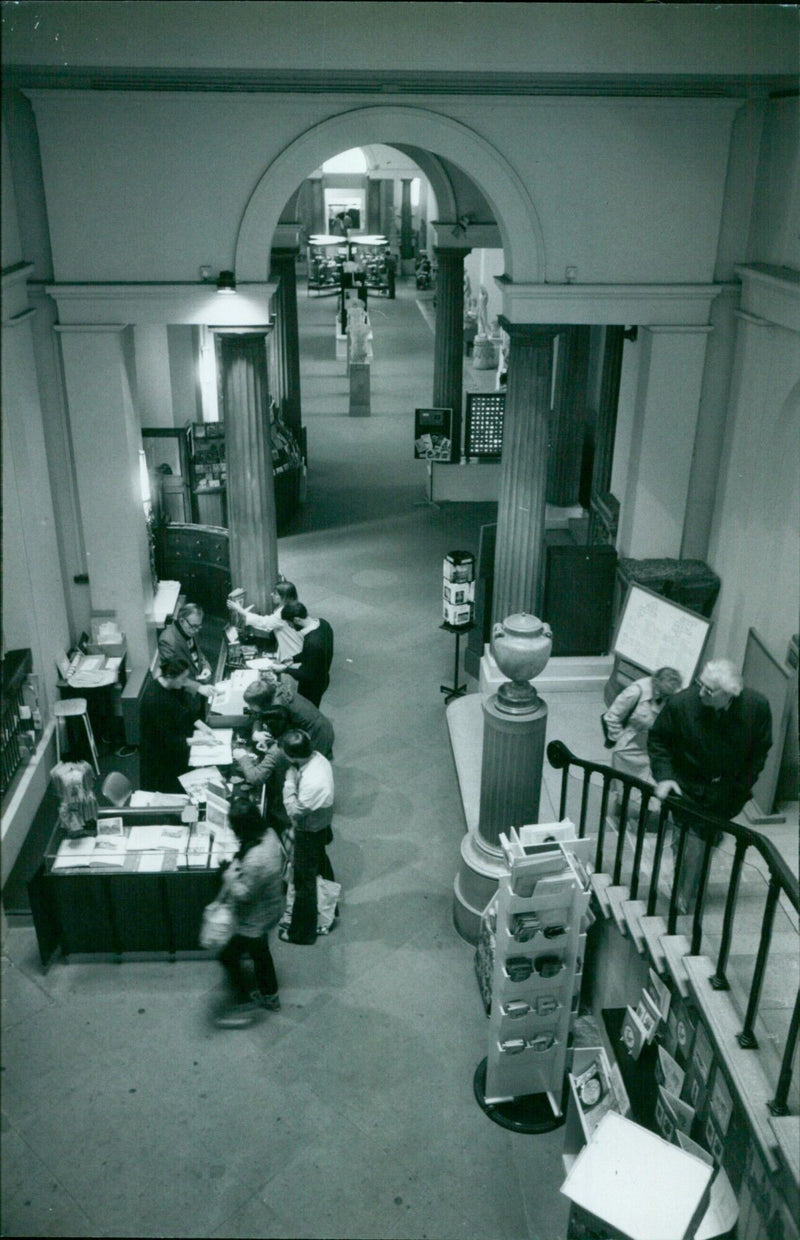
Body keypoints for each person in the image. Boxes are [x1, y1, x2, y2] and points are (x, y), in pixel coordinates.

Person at [648, 657, 772, 909]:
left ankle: (686, 882)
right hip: (686, 787)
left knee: (705, 839)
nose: (700, 692)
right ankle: (682, 898)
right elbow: (659, 740)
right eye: (699, 684)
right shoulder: (681, 704)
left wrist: (742, 787)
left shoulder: (756, 706)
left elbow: (759, 751)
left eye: (709, 690)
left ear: (730, 694)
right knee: (691, 840)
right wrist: (666, 777)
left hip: (726, 793)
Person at [214, 797, 284, 1027]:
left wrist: (227, 874)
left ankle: (245, 1000)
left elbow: (244, 894)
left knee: (229, 956)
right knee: (261, 954)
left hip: (255, 918)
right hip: (270, 908)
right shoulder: (269, 834)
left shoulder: (256, 860)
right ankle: (269, 995)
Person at [278, 729, 335, 945]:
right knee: (320, 865)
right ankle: (329, 909)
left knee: (304, 883)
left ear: (294, 756)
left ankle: (302, 933)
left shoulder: (312, 783)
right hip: (319, 826)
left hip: (309, 832)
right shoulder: (317, 758)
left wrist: (289, 781)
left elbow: (293, 810)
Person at [138, 656, 210, 793]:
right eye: (182, 679)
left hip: (175, 745)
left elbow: (184, 710)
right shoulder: (154, 700)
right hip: (160, 758)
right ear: (170, 676)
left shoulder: (173, 686)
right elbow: (167, 740)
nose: (184, 683)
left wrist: (204, 727)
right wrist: (197, 741)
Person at [603, 667, 683, 784]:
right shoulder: (636, 691)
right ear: (655, 682)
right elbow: (612, 716)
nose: (666, 697)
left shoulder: (671, 693)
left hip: (651, 753)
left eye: (669, 694)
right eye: (663, 692)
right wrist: (619, 737)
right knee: (624, 790)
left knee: (647, 792)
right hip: (627, 751)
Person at [242, 679, 334, 759]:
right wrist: (256, 732)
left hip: (319, 733)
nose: (249, 707)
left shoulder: (278, 709)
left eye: (252, 705)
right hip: (320, 723)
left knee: (311, 761)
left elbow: (280, 736)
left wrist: (256, 734)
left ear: (263, 703)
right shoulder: (274, 689)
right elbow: (260, 715)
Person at [227, 580, 303, 663]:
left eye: (275, 593)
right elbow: (268, 623)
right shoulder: (287, 607)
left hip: (293, 651)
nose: (271, 595)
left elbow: (264, 622)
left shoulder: (283, 612)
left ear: (284, 597)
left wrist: (240, 610)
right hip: (290, 647)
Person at [281, 601, 334, 708]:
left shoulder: (312, 642)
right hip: (323, 677)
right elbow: (314, 655)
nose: (290, 627)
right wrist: (293, 658)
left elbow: (307, 675)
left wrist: (284, 669)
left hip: (312, 686)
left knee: (307, 710)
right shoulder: (323, 623)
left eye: (289, 623)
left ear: (296, 620)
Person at [158, 603, 214, 697]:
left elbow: (199, 654)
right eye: (194, 626)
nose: (196, 630)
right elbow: (172, 675)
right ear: (182, 621)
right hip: (183, 694)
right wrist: (198, 687)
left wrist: (206, 667)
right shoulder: (167, 640)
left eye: (199, 626)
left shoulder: (191, 629)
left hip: (200, 687)